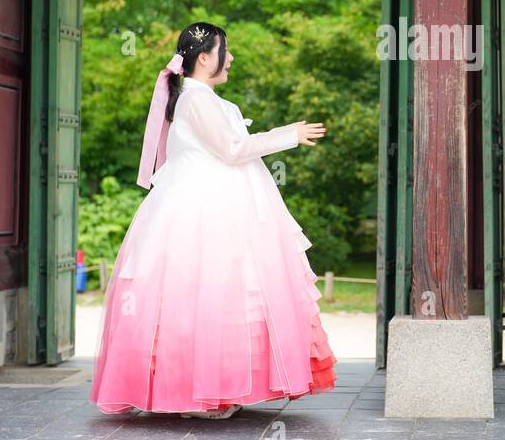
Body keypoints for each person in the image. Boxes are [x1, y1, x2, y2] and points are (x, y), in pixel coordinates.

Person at [90, 22, 336, 419]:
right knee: (203, 295)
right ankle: (196, 393)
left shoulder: (208, 100)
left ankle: (215, 387)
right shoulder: (196, 100)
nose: (232, 57)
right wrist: (287, 134)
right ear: (204, 58)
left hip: (220, 205)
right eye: (226, 50)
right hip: (201, 210)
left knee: (219, 297)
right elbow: (233, 148)